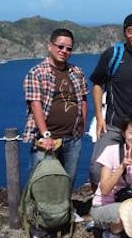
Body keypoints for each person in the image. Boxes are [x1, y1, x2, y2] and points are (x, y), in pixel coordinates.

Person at [89, 13, 132, 187]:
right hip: (114, 123)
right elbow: (97, 84)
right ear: (125, 33)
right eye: (131, 31)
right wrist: (99, 118)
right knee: (96, 169)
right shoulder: (112, 55)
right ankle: (101, 206)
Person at [23, 28, 88, 192]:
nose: (64, 51)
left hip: (72, 138)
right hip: (46, 140)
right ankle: (36, 216)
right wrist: (45, 134)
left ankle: (64, 212)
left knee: (68, 179)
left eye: (68, 48)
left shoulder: (76, 72)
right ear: (50, 46)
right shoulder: (37, 72)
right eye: (60, 46)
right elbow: (35, 104)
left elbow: (83, 97)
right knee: (40, 181)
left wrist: (83, 122)